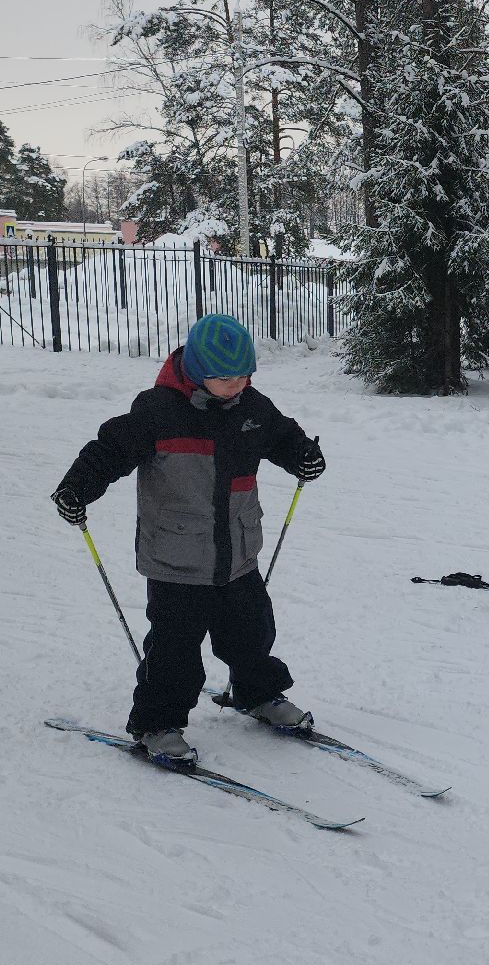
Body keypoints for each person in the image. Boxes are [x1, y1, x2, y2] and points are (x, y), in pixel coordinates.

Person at [50, 313, 325, 763]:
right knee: (175, 652)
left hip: (238, 555)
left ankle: (258, 693)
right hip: (177, 561)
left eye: (243, 375)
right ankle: (156, 723)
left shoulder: (253, 410)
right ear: (197, 371)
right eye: (223, 377)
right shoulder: (158, 412)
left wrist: (304, 457)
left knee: (253, 634)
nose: (235, 384)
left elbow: (284, 436)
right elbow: (109, 450)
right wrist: (76, 488)